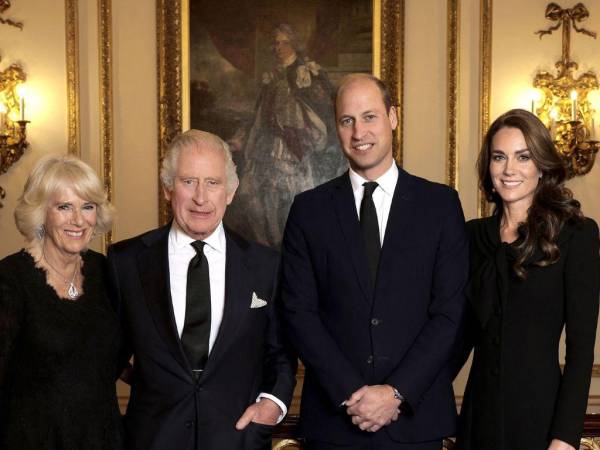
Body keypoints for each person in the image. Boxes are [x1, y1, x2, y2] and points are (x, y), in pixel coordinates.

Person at [279, 73, 469, 449]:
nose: (358, 131)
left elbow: (450, 313)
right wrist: (353, 394)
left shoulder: (440, 206)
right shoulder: (309, 210)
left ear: (393, 117)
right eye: (347, 120)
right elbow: (298, 312)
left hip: (415, 421)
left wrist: (396, 393)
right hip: (336, 421)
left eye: (369, 117)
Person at [107, 130, 297, 450]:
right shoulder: (125, 261)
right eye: (188, 182)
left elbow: (280, 352)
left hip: (238, 438)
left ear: (231, 191)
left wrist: (273, 404)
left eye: (212, 183)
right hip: (153, 438)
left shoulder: (266, 265)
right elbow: (104, 350)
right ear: (168, 188)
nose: (200, 197)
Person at [455, 109, 600, 450]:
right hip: (478, 418)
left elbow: (581, 352)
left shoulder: (576, 234)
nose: (509, 170)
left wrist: (564, 438)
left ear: (541, 166)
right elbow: (456, 335)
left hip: (541, 421)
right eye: (499, 157)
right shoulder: (471, 236)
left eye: (523, 157)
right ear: (488, 168)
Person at [0, 155, 121, 449]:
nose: (78, 220)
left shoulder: (107, 271)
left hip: (103, 438)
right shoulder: (10, 279)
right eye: (64, 207)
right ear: (41, 214)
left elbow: (114, 352)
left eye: (87, 207)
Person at [230, 23, 343, 247]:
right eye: (276, 43)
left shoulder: (307, 72)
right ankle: (270, 247)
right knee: (261, 196)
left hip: (296, 142)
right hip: (268, 142)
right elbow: (259, 112)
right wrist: (241, 138)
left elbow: (323, 108)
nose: (279, 47)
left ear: (295, 45)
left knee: (293, 196)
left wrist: (302, 127)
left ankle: (294, 245)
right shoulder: (271, 76)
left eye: (285, 42)